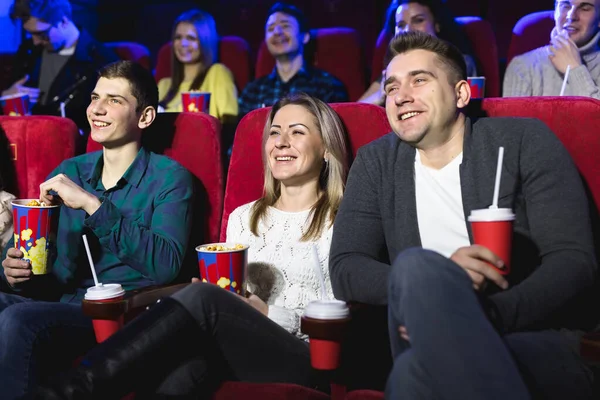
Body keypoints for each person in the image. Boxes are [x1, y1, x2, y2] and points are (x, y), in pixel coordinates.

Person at [330, 31, 598, 399]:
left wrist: (479, 314)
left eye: (419, 80)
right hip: (418, 333)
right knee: (414, 267)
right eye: (391, 87)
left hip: (535, 340)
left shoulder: (523, 141)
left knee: (410, 375)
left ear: (461, 93)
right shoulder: (376, 162)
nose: (401, 96)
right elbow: (346, 267)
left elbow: (575, 262)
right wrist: (436, 286)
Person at [34, 92, 351, 399]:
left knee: (202, 299)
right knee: (181, 367)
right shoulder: (244, 217)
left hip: (307, 359)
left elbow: (344, 318)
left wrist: (263, 311)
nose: (280, 142)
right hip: (234, 347)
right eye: (275, 133)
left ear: (325, 148)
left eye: (297, 133)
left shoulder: (344, 220)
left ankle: (68, 392)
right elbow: (230, 294)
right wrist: (220, 300)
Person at [0, 60, 195, 399]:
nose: (97, 109)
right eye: (94, 97)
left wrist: (92, 205)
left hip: (120, 313)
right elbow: (41, 258)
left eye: (115, 101)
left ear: (145, 117)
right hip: (59, 301)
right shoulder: (70, 170)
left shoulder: (170, 178)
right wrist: (12, 268)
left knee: (20, 320)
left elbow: (166, 264)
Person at [2, 0, 118, 143]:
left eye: (41, 34)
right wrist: (6, 97)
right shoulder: (28, 52)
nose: (35, 42)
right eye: (30, 34)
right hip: (26, 142)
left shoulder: (101, 62)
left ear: (63, 22)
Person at [238, 2, 349, 118]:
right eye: (270, 29)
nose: (276, 32)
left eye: (285, 26)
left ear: (305, 36)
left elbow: (334, 131)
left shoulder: (327, 86)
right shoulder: (252, 91)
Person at [359, 0, 477, 105]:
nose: (408, 30)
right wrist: (380, 95)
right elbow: (355, 108)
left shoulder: (460, 62)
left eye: (418, 20)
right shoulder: (393, 68)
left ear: (437, 24)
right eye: (401, 25)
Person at [503, 0, 600, 98]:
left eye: (585, 8)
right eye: (565, 5)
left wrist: (575, 70)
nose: (571, 16)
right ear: (555, 11)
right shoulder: (522, 66)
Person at [157, 9, 238, 123]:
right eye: (178, 37)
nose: (183, 44)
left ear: (205, 41)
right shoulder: (163, 85)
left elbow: (230, 122)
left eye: (191, 38)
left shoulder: (217, 73)